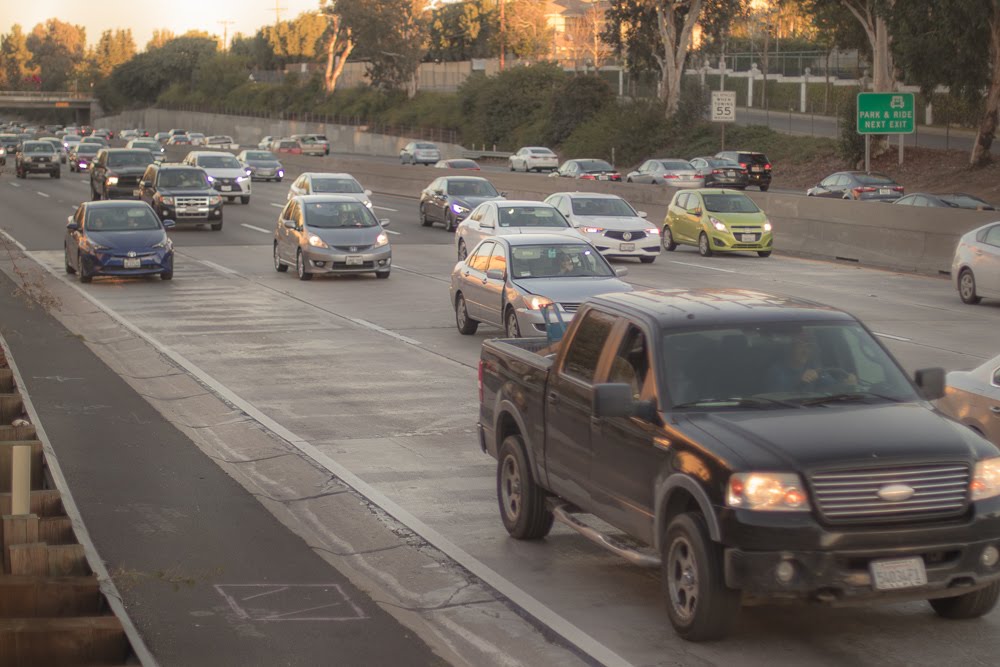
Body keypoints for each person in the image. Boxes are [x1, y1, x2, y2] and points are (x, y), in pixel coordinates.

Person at [765, 334, 856, 393]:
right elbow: (778, 400)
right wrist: (799, 381)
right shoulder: (777, 372)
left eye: (809, 346)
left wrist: (846, 384)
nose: (805, 351)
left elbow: (832, 387)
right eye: (801, 345)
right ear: (791, 348)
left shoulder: (813, 367)